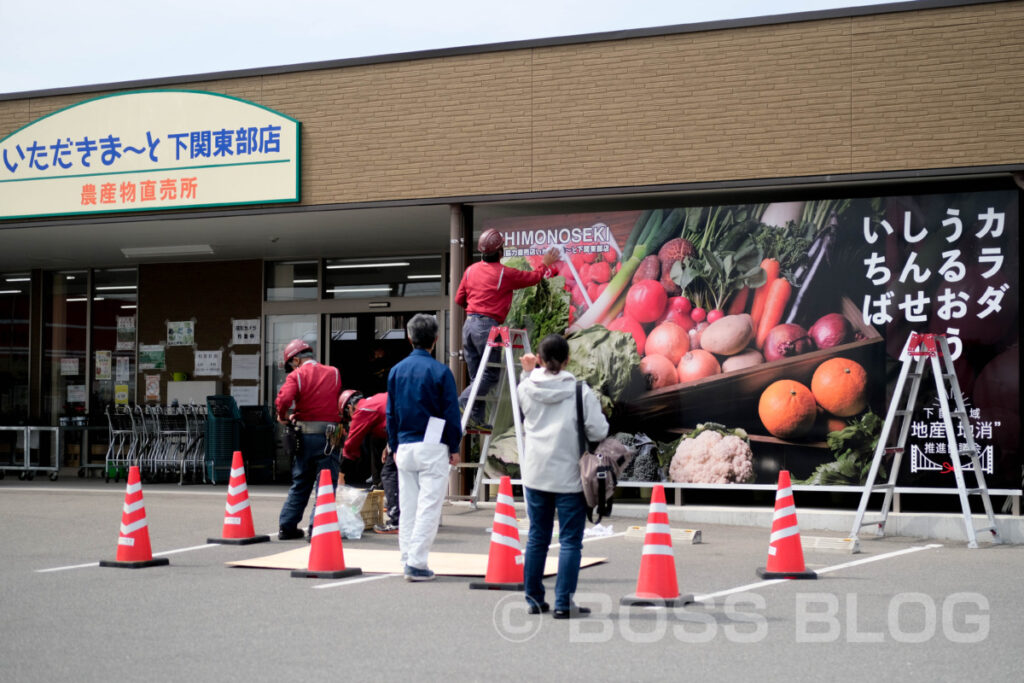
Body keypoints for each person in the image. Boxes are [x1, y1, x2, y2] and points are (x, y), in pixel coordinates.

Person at [517, 333, 608, 619]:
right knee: (570, 541)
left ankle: (533, 599)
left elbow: (525, 388)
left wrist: (527, 370)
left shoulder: (526, 389)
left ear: (540, 360)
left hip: (535, 475)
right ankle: (563, 603)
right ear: (568, 359)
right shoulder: (580, 391)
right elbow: (599, 431)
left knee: (537, 537)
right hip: (570, 477)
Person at [455, 229, 560, 429]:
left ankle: (475, 419)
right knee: (490, 376)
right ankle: (461, 402)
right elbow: (533, 278)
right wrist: (545, 263)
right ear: (501, 252)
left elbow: (460, 299)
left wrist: (476, 310)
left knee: (477, 376)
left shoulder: (470, 270)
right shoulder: (503, 273)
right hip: (486, 327)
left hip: (468, 325)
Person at [386, 314, 463, 582]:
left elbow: (390, 414)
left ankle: (407, 556)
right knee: (429, 507)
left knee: (408, 507)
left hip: (405, 446)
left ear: (409, 338)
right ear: (436, 339)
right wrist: (454, 445)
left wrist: (394, 445)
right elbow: (451, 413)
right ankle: (417, 563)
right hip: (433, 446)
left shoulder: (396, 371)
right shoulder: (442, 372)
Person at [274, 339, 342, 541]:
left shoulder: (297, 375)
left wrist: (283, 416)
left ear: (295, 360)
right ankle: (318, 527)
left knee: (301, 481)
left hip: (306, 433)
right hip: (333, 434)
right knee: (326, 483)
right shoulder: (334, 372)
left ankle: (287, 527)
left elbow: (284, 400)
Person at [339, 389, 399, 534]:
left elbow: (351, 445)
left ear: (349, 408)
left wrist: (341, 474)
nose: (351, 420)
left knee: (390, 473)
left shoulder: (363, 409)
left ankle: (396, 521)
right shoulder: (377, 399)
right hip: (412, 430)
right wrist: (389, 444)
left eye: (349, 417)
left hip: (405, 434)